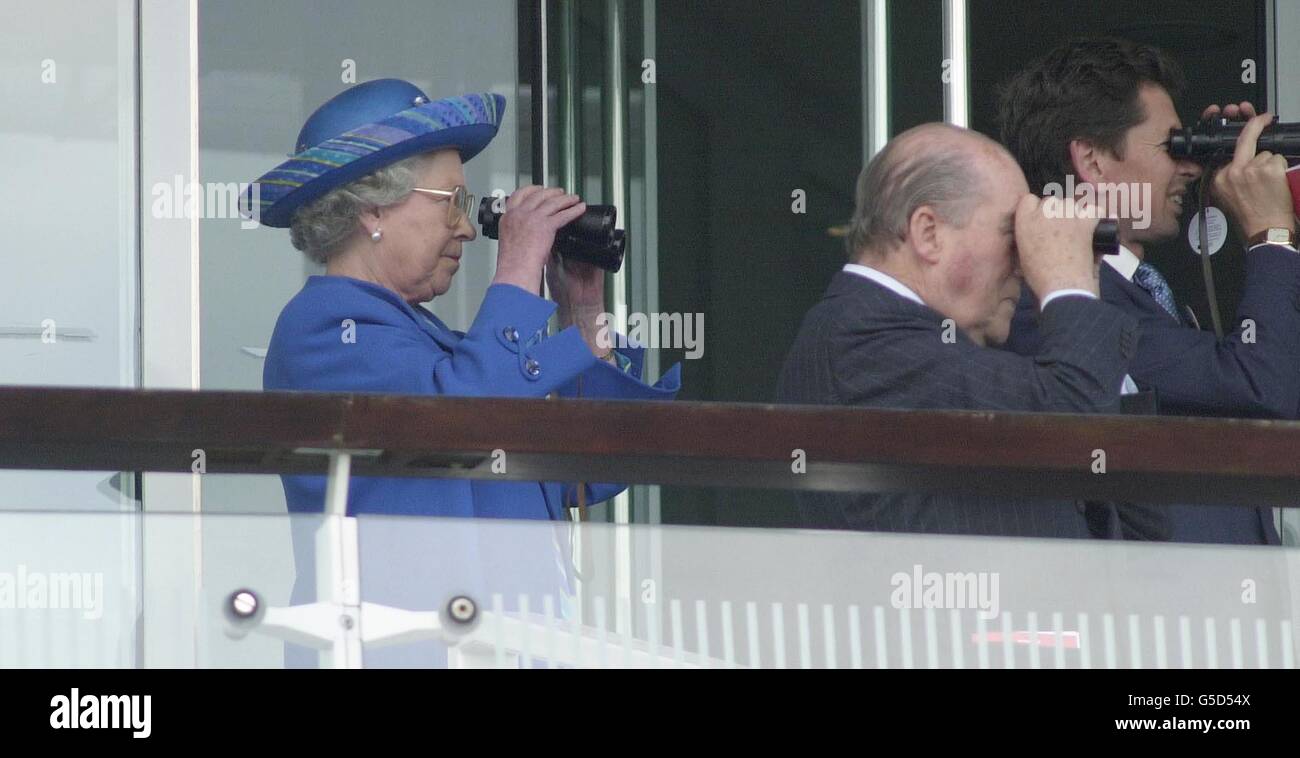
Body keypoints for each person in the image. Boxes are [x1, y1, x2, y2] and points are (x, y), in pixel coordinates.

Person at [245, 78, 681, 520]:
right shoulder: (323, 331)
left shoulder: (433, 345)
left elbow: (596, 469)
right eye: (452, 202)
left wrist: (583, 314)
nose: (467, 228)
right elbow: (462, 418)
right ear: (372, 209)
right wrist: (518, 263)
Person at [999, 37, 1300, 544]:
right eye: (1172, 148)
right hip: (1167, 607)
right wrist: (1268, 234)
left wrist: (1247, 193)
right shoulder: (1066, 303)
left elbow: (1274, 366)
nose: (1188, 166)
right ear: (1092, 162)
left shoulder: (1150, 292)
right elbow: (1261, 390)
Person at [775, 122, 1138, 538]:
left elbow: (1137, 520)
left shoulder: (916, 343)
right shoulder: (860, 340)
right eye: (1011, 236)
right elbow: (1074, 430)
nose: (1024, 263)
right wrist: (1067, 286)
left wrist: (1078, 287)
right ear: (928, 234)